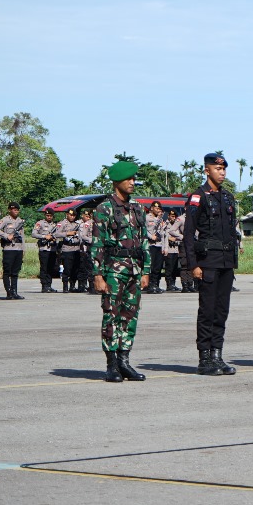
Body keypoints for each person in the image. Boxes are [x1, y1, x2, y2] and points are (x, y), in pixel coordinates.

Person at [90, 160, 150, 383]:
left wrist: (146, 271)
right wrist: (97, 274)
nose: (133, 182)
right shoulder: (104, 209)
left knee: (130, 316)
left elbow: (144, 241)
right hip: (113, 271)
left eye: (134, 179)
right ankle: (111, 364)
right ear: (117, 182)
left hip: (134, 270)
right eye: (129, 179)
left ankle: (125, 361)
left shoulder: (137, 208)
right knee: (111, 316)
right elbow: (97, 243)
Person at [183, 152, 241, 376]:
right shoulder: (199, 196)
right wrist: (193, 264)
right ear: (207, 170)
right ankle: (204, 358)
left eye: (224, 169)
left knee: (221, 311)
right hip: (208, 261)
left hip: (226, 262)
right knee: (207, 311)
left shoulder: (226, 197)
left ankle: (217, 355)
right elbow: (189, 234)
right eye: (218, 169)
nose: (222, 172)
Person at [0, 203, 27, 300]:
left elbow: (22, 236)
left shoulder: (20, 221)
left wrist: (23, 249)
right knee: (7, 271)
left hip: (18, 248)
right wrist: (6, 236)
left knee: (15, 272)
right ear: (9, 210)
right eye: (13, 209)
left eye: (17, 209)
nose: (15, 211)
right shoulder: (5, 220)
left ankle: (14, 291)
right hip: (9, 249)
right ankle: (8, 292)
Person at [55, 209, 82, 293]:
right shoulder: (62, 223)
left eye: (74, 215)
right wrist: (67, 233)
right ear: (67, 214)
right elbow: (56, 234)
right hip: (67, 249)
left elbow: (80, 236)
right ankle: (65, 286)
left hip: (76, 249)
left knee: (75, 269)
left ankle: (72, 285)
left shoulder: (76, 224)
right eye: (70, 215)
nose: (72, 217)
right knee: (67, 268)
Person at [32, 209, 59, 292]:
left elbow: (58, 235)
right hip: (44, 249)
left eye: (50, 216)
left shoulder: (55, 225)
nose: (49, 217)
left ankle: (49, 285)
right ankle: (44, 285)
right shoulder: (40, 223)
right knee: (44, 267)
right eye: (47, 215)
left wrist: (54, 239)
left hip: (52, 249)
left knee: (51, 267)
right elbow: (33, 234)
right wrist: (44, 236)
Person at [144, 201, 166, 291]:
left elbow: (162, 234)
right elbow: (143, 229)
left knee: (158, 266)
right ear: (152, 208)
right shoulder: (146, 218)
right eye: (156, 208)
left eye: (159, 209)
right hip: (150, 244)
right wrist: (150, 236)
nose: (158, 210)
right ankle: (149, 285)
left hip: (158, 244)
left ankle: (155, 284)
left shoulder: (159, 219)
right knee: (151, 266)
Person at [162, 209, 182, 291]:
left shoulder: (177, 225)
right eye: (171, 216)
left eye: (174, 216)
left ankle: (173, 283)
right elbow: (163, 236)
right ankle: (169, 284)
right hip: (168, 249)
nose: (173, 218)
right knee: (169, 268)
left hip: (176, 249)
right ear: (169, 216)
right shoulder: (165, 225)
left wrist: (176, 239)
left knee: (174, 268)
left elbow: (181, 235)